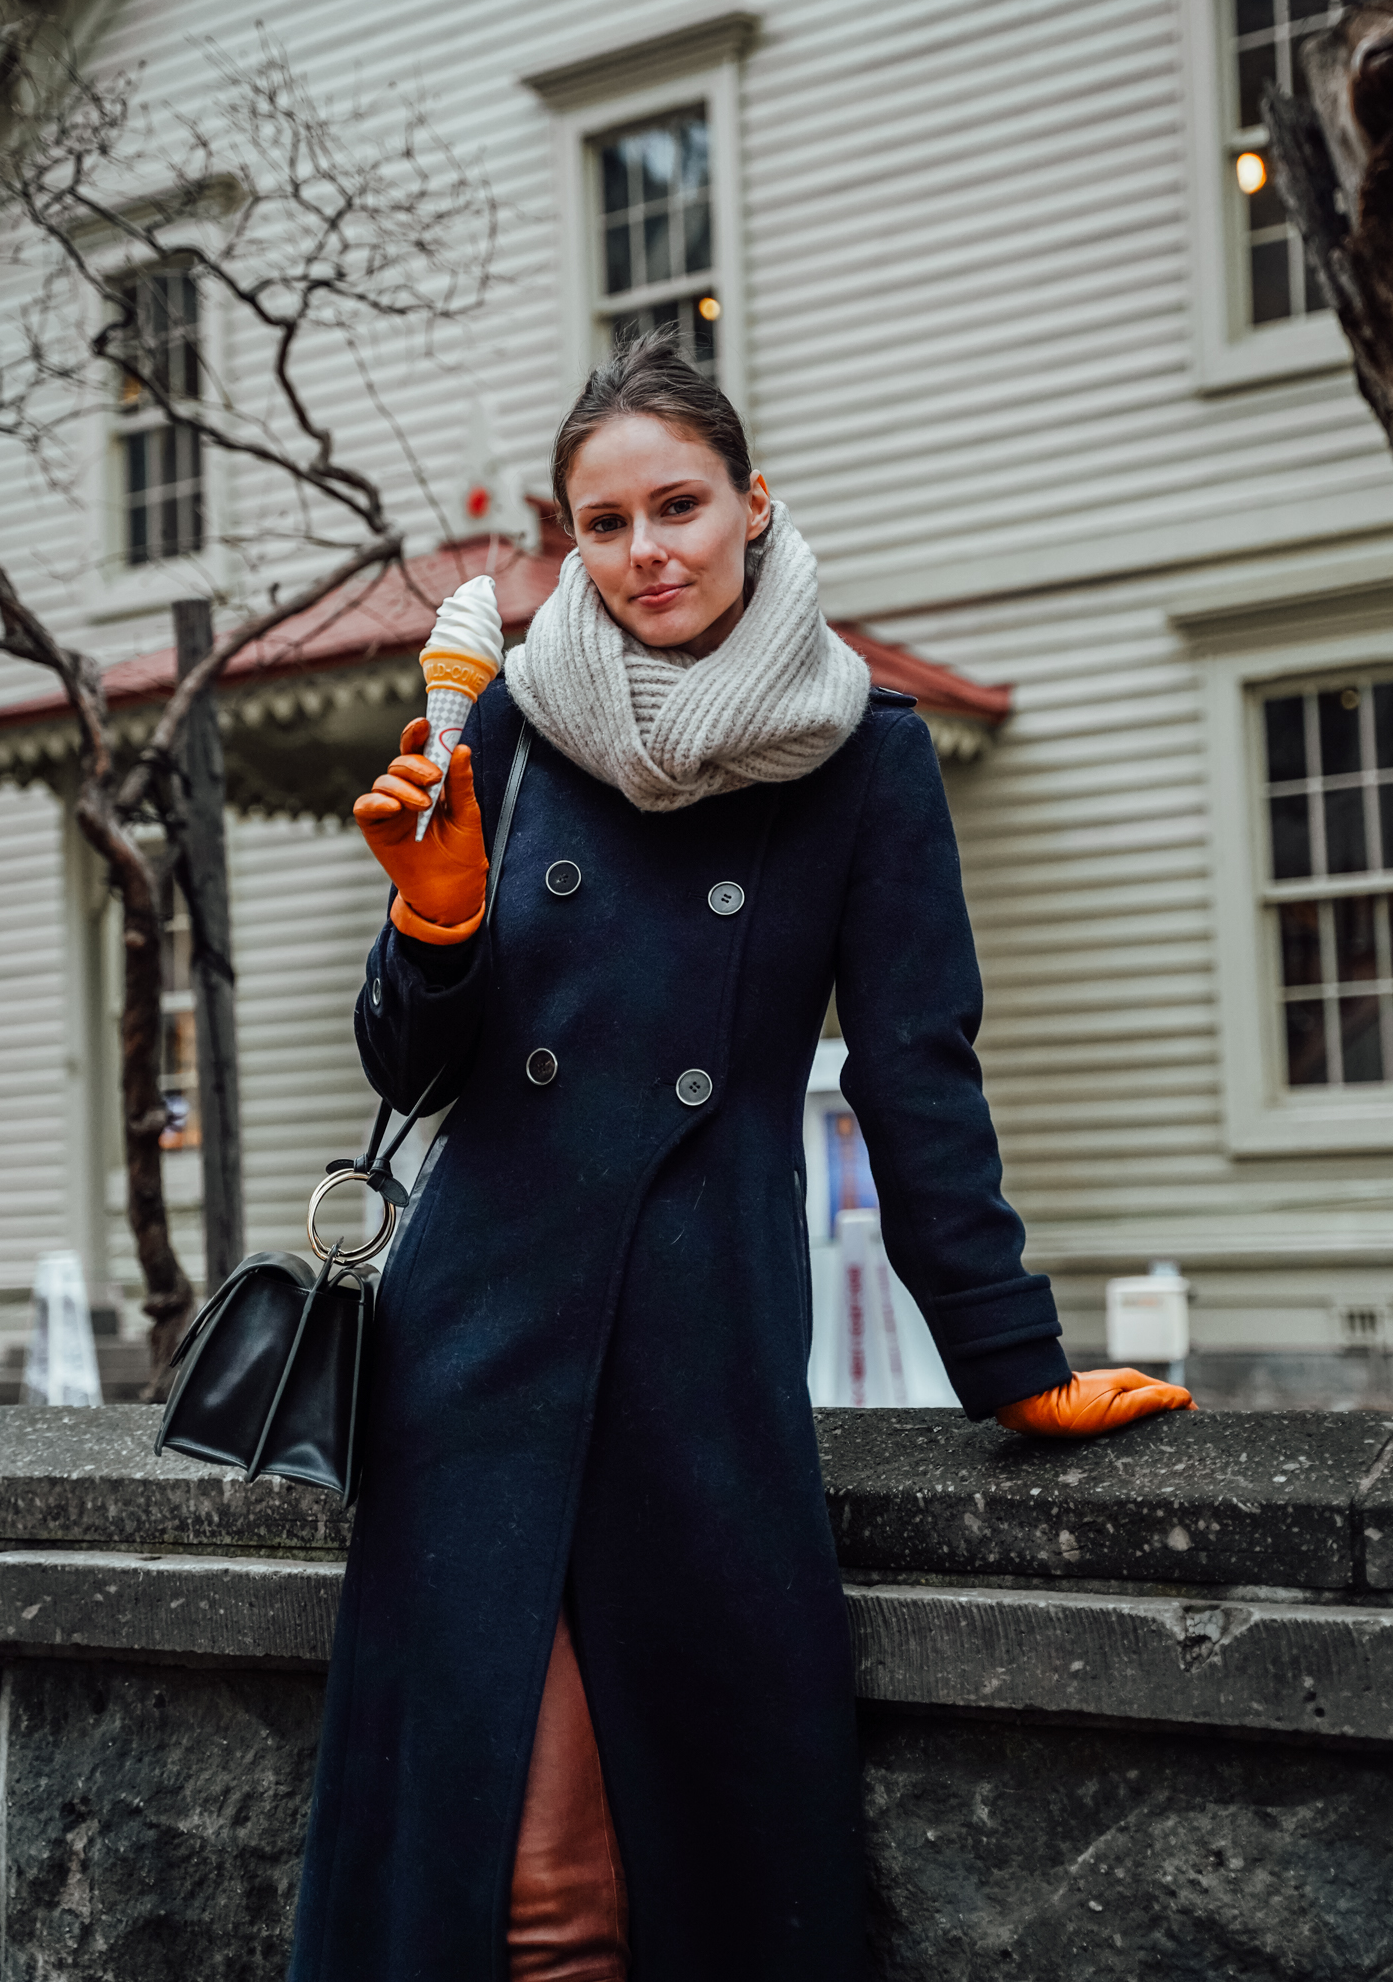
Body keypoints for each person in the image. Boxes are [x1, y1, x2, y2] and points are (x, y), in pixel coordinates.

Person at [287, 330, 1192, 1982]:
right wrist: (434, 917)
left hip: (697, 1352)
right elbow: (409, 1068)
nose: (646, 551)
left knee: (692, 1878)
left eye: (679, 506)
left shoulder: (867, 752)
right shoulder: (508, 723)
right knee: (524, 1892)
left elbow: (918, 1074)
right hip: (473, 1351)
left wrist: (1014, 1360)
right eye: (604, 522)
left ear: (753, 504)